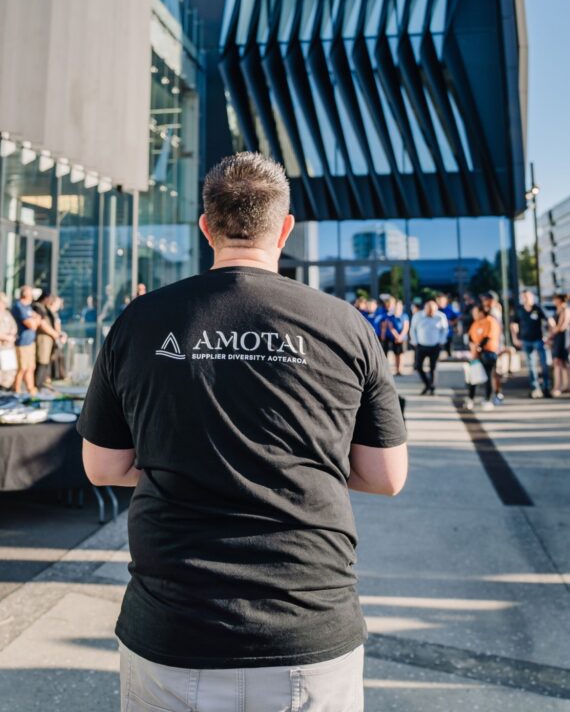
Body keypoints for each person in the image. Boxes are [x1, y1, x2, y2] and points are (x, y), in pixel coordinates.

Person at [78, 152, 407, 712]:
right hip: (307, 625)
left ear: (206, 227)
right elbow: (385, 476)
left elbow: (103, 466)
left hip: (173, 629)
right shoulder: (345, 325)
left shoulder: (142, 320)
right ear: (284, 229)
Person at [511, 290, 552, 398]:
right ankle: (535, 389)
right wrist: (515, 338)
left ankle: (546, 387)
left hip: (538, 339)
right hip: (526, 340)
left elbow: (549, 321)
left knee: (544, 364)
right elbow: (514, 325)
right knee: (531, 366)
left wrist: (549, 336)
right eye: (524, 297)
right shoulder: (519, 310)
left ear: (532, 297)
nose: (526, 299)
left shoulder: (537, 308)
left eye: (528, 297)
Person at [410, 299, 448, 395]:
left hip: (435, 345)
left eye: (433, 311)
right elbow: (412, 329)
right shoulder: (417, 316)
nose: (431, 313)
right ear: (425, 309)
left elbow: (445, 330)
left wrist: (441, 341)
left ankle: (432, 388)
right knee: (418, 366)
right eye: (429, 311)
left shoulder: (440, 316)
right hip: (421, 345)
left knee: (433, 368)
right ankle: (427, 384)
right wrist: (415, 341)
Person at [466, 304, 500, 410]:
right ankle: (470, 399)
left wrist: (479, 347)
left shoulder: (490, 321)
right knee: (473, 377)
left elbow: (488, 336)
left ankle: (488, 399)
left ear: (481, 312)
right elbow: (470, 336)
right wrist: (473, 348)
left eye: (475, 312)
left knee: (488, 376)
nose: (474, 315)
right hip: (476, 353)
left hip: (488, 352)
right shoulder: (475, 323)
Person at [11, 286, 40, 394]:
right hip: (21, 342)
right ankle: (16, 391)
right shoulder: (19, 306)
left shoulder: (28, 307)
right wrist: (35, 320)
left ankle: (31, 390)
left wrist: (35, 320)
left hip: (30, 342)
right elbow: (31, 324)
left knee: (31, 367)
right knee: (21, 368)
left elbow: (37, 321)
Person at [34, 291, 64, 389]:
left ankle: (42, 383)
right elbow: (42, 323)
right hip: (43, 338)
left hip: (50, 338)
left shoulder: (47, 309)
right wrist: (54, 334)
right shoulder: (38, 307)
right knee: (42, 361)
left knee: (46, 361)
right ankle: (38, 384)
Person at [379, 296, 408, 375]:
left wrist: (400, 337)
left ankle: (400, 370)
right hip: (393, 337)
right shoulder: (390, 316)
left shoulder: (404, 316)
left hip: (401, 338)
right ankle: (394, 369)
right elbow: (390, 327)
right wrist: (396, 336)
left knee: (400, 354)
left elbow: (406, 327)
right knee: (394, 354)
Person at [549, 293, 570, 397]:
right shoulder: (558, 310)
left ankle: (560, 386)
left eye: (555, 298)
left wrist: (553, 328)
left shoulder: (565, 310)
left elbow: (562, 326)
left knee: (562, 362)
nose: (553, 300)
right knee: (561, 363)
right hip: (558, 338)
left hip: (563, 338)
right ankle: (563, 385)